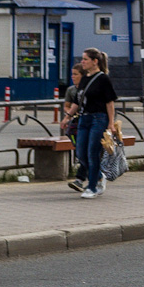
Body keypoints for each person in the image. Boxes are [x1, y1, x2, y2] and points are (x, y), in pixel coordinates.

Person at [73, 48, 117, 199]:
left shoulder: (103, 78)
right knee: (80, 152)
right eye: (82, 59)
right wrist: (67, 117)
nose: (82, 62)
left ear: (95, 61)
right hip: (84, 118)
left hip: (98, 119)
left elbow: (109, 102)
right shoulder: (84, 78)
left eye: (85, 59)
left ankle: (92, 187)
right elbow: (77, 100)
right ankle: (99, 176)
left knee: (93, 153)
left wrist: (111, 123)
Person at [61, 63, 88, 192]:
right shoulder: (71, 90)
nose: (73, 77)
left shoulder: (88, 88)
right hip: (76, 124)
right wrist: (68, 116)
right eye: (72, 74)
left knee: (87, 151)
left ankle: (82, 179)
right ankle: (95, 177)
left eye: (76, 74)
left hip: (90, 122)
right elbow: (68, 106)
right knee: (80, 151)